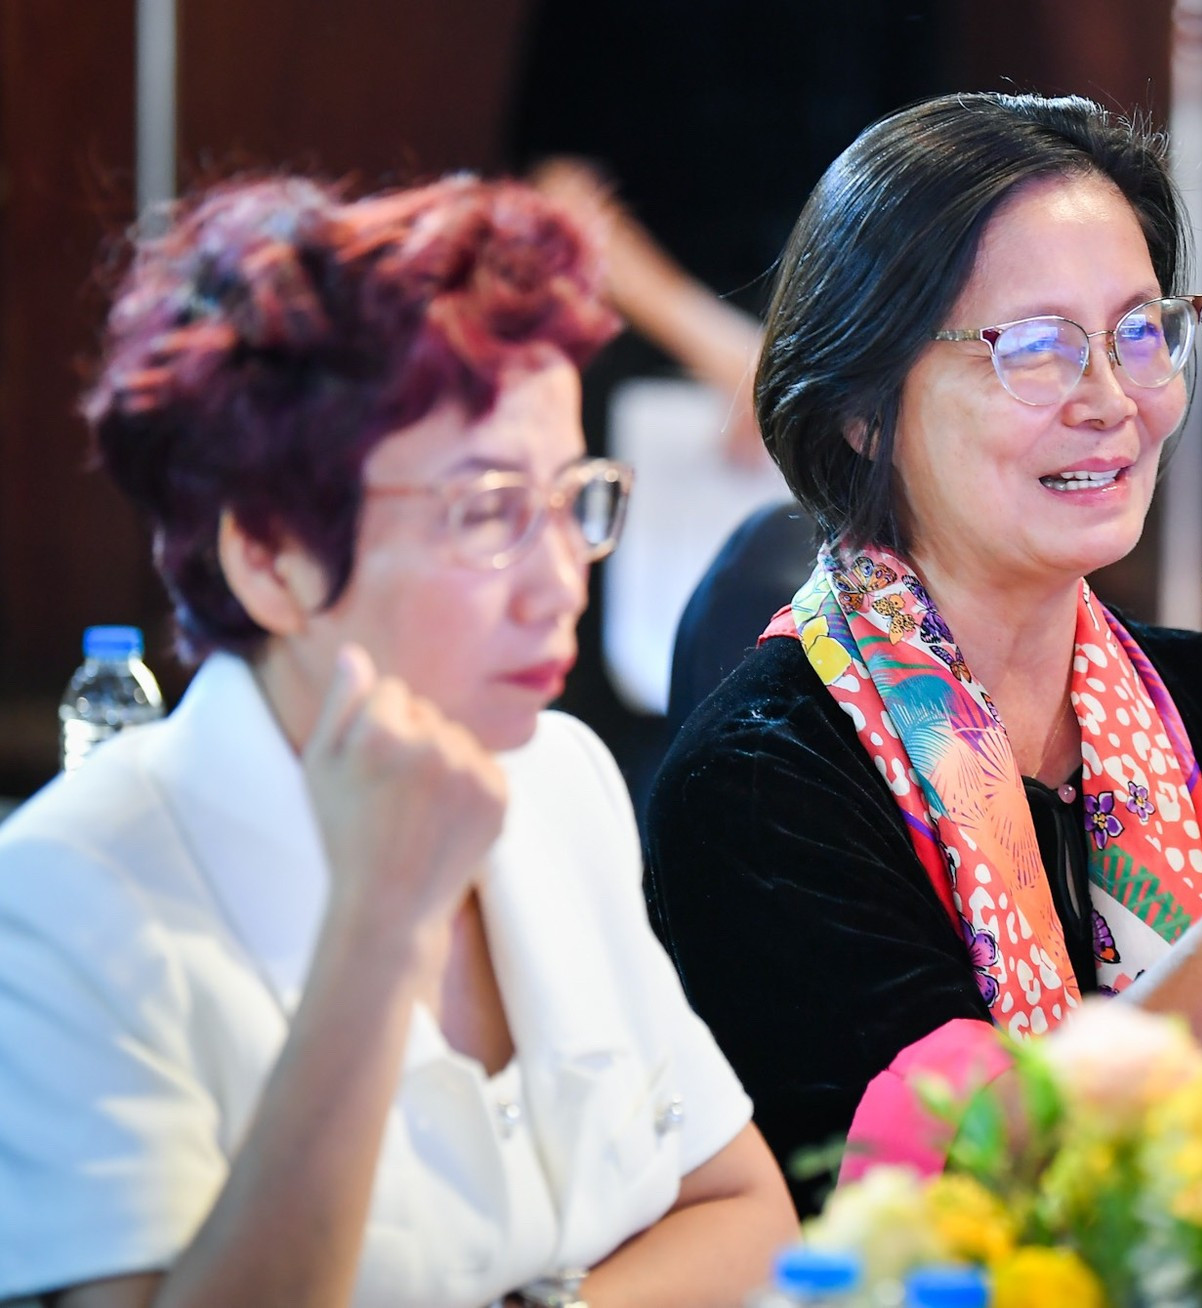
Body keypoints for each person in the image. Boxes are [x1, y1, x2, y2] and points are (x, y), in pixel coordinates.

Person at [646, 92, 1202, 1214]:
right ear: (861, 407)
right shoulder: (759, 780)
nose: (1113, 400)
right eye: (1033, 348)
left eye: (1138, 331)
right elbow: (974, 1194)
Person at [0, 176, 796, 1307]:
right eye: (482, 513)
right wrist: (380, 931)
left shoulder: (557, 778)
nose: (558, 581)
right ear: (270, 558)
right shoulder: (67, 896)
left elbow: (741, 1210)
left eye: (571, 498)